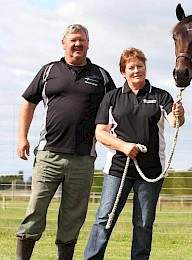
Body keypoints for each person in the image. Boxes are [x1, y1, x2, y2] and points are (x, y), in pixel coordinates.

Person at [15, 24, 116, 260]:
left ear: (88, 44)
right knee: (35, 211)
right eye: (73, 40)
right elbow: (28, 102)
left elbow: (118, 106)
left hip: (83, 159)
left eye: (82, 40)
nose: (77, 44)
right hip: (48, 155)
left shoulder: (101, 76)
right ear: (64, 43)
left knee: (73, 216)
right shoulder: (49, 70)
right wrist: (22, 137)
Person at [84, 47, 185, 260]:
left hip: (150, 171)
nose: (136, 70)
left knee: (143, 223)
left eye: (140, 66)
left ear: (145, 68)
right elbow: (100, 133)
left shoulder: (161, 96)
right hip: (118, 169)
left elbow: (175, 122)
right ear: (123, 71)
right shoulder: (112, 97)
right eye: (131, 67)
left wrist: (180, 114)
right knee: (104, 218)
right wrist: (124, 147)